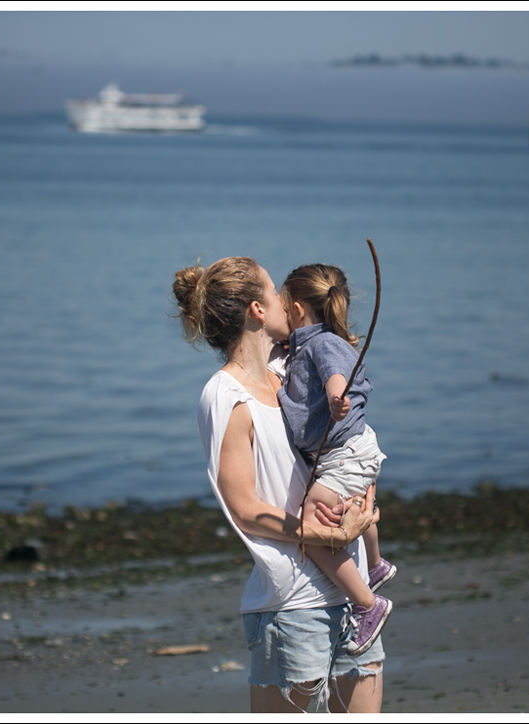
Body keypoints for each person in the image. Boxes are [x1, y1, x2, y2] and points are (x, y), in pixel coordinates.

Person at [172, 256, 385, 713]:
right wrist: (325, 534)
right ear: (256, 310)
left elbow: (338, 450)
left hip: (353, 595)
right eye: (274, 292)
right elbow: (245, 509)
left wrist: (360, 508)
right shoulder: (225, 395)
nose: (287, 303)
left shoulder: (288, 369)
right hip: (293, 607)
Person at [276, 263, 395, 657]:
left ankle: (367, 604)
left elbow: (335, 375)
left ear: (294, 307)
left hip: (344, 451)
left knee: (311, 526)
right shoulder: (302, 345)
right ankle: (375, 566)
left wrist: (335, 398)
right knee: (360, 501)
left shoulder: (322, 343)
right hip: (348, 450)